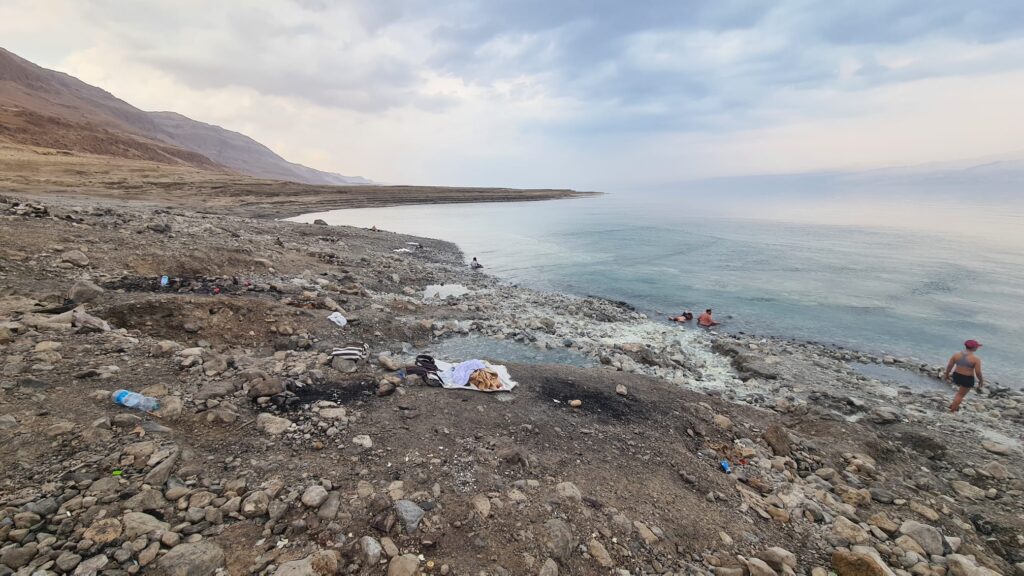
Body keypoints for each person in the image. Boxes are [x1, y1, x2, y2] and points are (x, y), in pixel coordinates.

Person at [945, 340, 984, 413]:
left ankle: (954, 404)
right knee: (960, 395)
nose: (977, 348)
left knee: (959, 393)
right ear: (974, 348)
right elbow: (978, 372)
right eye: (977, 347)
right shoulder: (976, 359)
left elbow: (949, 366)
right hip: (967, 379)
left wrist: (946, 375)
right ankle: (952, 411)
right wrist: (981, 380)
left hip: (956, 376)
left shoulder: (956, 355)